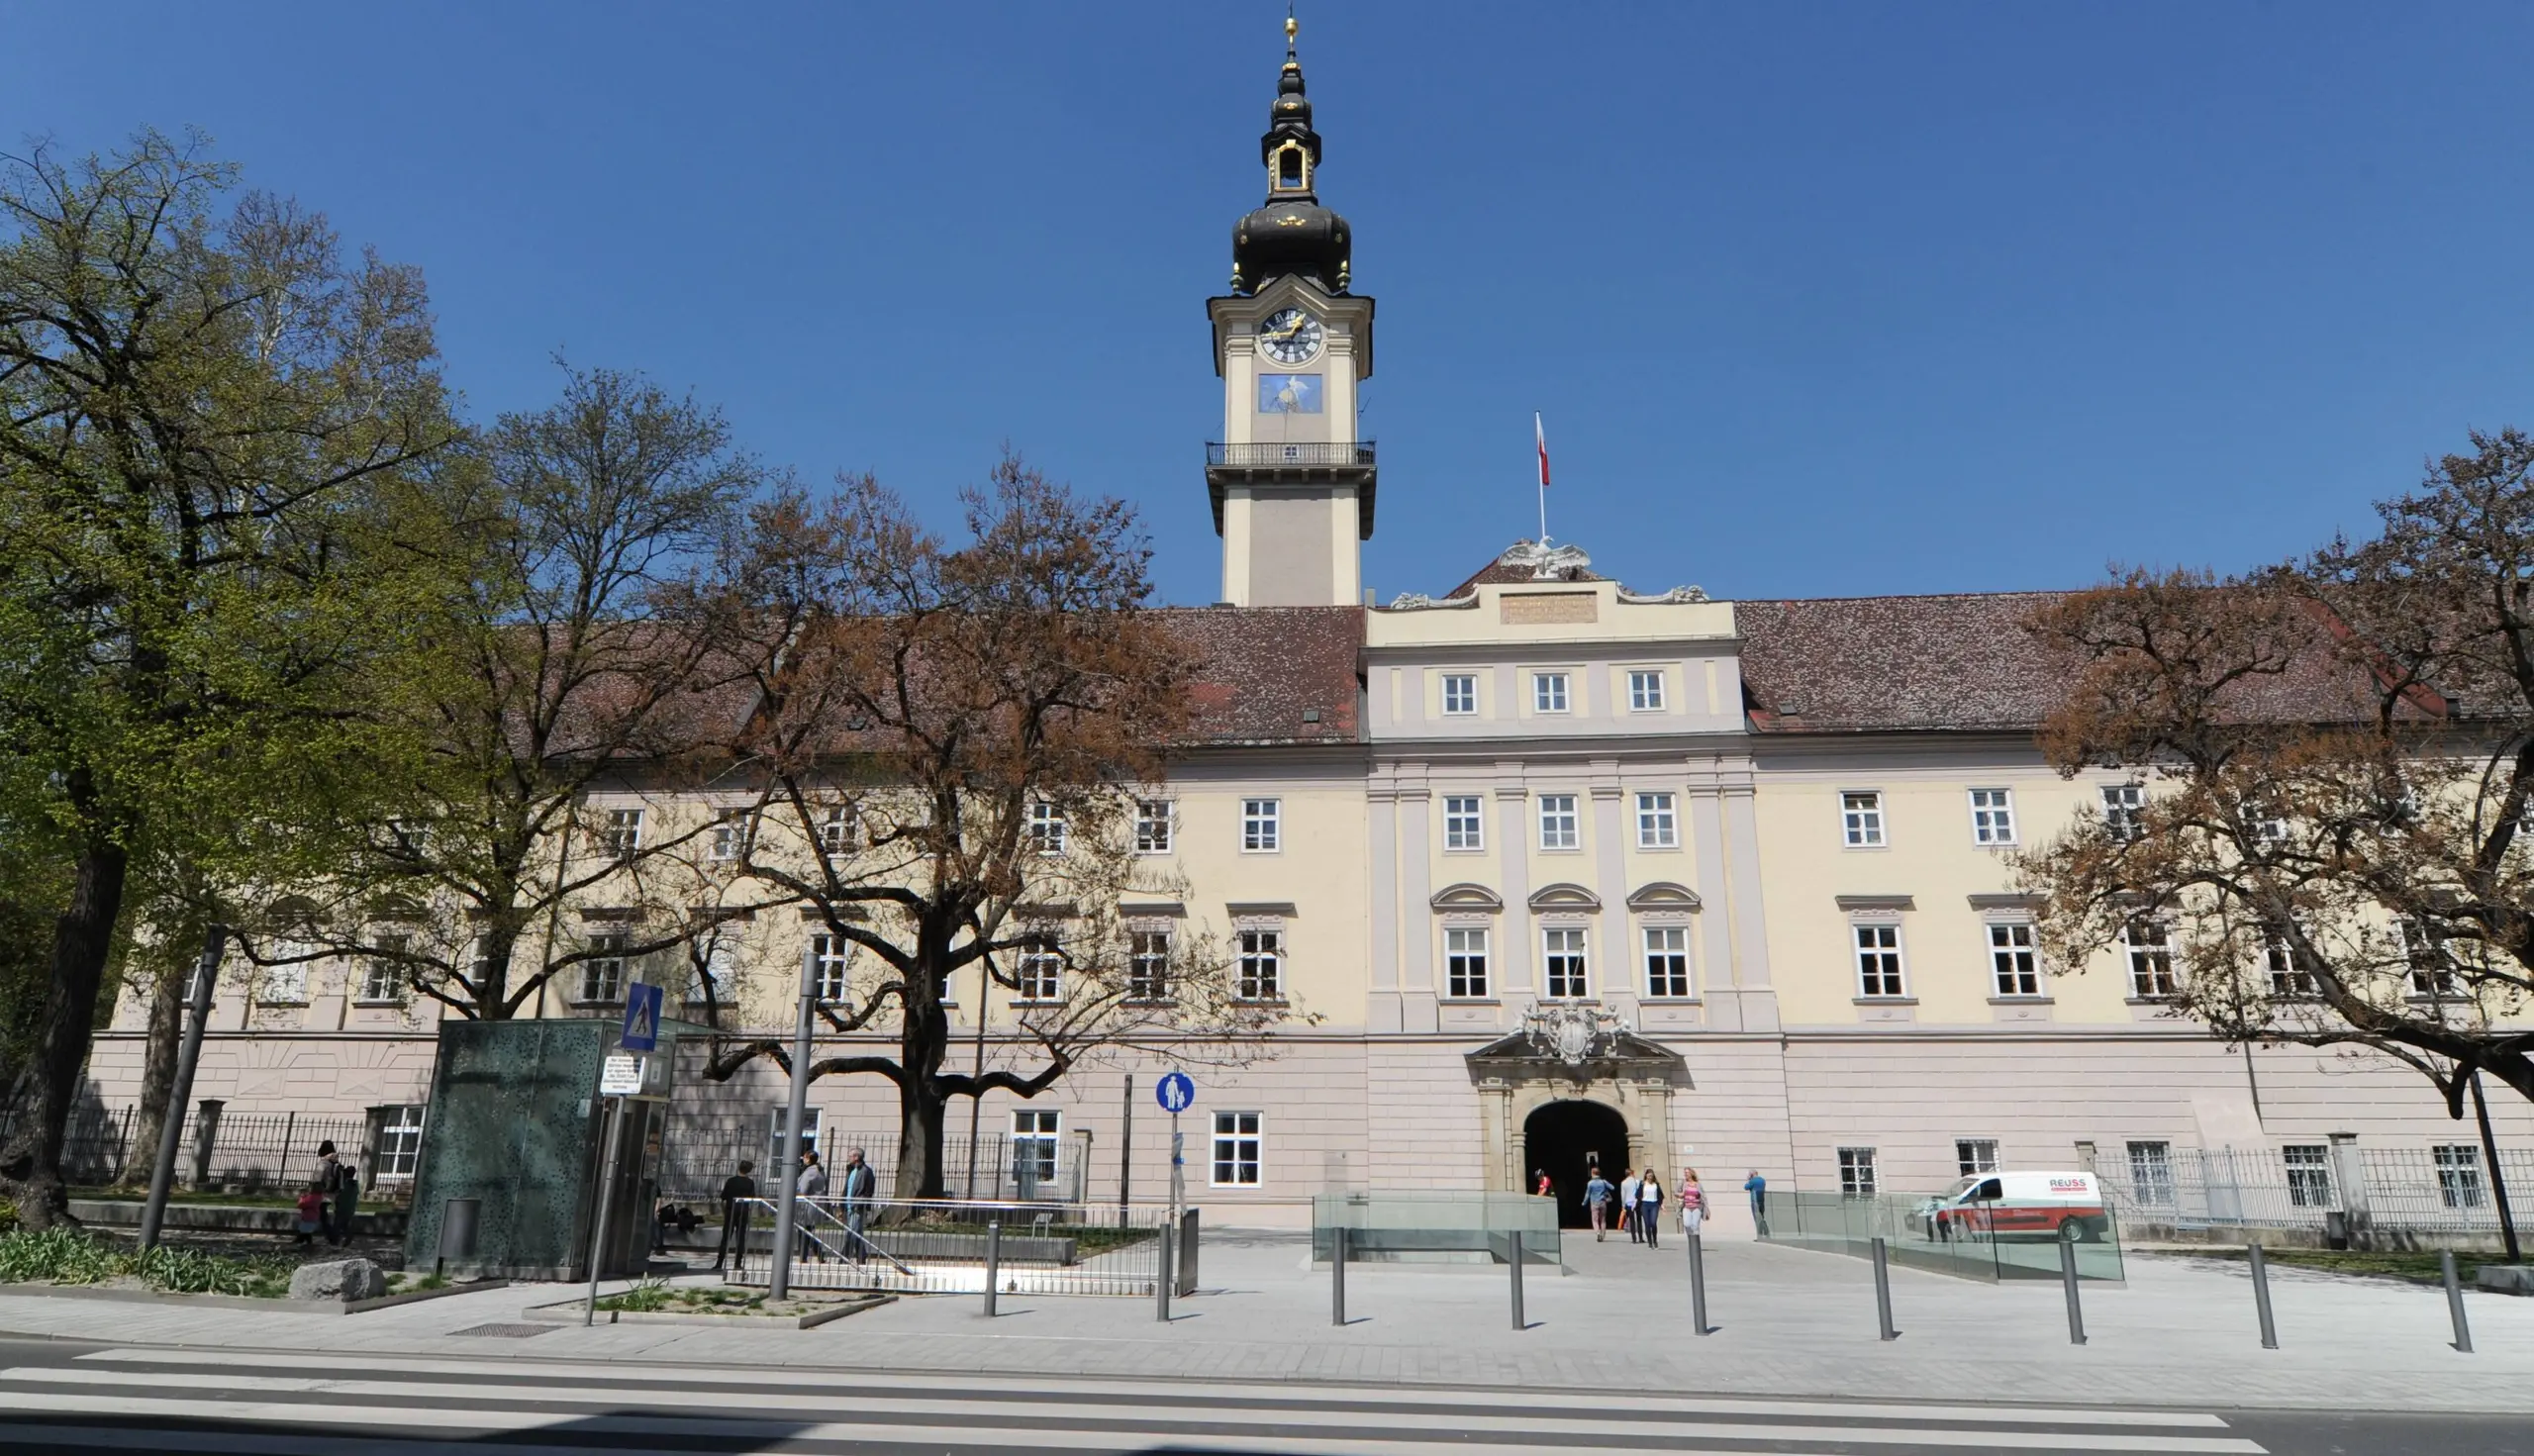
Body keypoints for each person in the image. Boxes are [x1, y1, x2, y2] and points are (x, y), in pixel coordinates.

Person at [712, 1159, 757, 1273]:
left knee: (726, 1237)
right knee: (740, 1237)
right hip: (743, 1211)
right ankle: (737, 1263)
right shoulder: (750, 1183)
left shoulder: (731, 1181)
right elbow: (752, 1198)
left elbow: (723, 1197)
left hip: (730, 1210)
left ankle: (719, 1263)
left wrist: (724, 1210)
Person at [316, 1140, 359, 1248]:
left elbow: (317, 1179)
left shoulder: (323, 1163)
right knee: (336, 1217)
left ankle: (333, 1237)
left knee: (321, 1216)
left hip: (323, 1192)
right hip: (334, 1193)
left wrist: (313, 1190)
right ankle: (336, 1236)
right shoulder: (337, 1164)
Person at [838, 1145, 878, 1264]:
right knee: (857, 1234)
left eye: (850, 1156)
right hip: (850, 1206)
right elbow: (847, 1189)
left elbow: (868, 1190)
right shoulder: (852, 1170)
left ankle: (843, 1259)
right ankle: (862, 1257)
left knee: (851, 1233)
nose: (848, 1158)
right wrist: (842, 1205)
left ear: (856, 1157)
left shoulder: (866, 1171)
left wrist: (861, 1203)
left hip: (857, 1207)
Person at [795, 1149, 828, 1262]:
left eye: (804, 1157)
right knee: (808, 1232)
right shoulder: (820, 1170)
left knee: (803, 1232)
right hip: (815, 1205)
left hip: (806, 1206)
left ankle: (803, 1257)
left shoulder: (809, 1172)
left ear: (808, 1159)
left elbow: (802, 1189)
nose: (803, 1159)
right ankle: (819, 1255)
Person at [1583, 1166, 1613, 1241]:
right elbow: (1612, 1188)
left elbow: (1587, 1194)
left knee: (1595, 1220)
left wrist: (1584, 1202)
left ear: (1592, 1173)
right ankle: (1603, 1236)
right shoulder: (1603, 1181)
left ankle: (1598, 1233)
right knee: (1603, 1220)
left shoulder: (1590, 1183)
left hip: (1594, 1203)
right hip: (1603, 1202)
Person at [1637, 1167, 1664, 1249]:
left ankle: (1655, 1239)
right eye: (1648, 1176)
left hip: (1654, 1204)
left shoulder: (1656, 1184)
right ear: (1646, 1176)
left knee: (1653, 1223)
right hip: (1645, 1205)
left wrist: (1662, 1205)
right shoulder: (1642, 1184)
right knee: (1647, 1224)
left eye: (1651, 1176)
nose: (1650, 1177)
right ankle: (1650, 1242)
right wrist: (1635, 1204)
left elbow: (1660, 1195)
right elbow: (1638, 1195)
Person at [293, 1180, 326, 1247]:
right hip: (313, 1217)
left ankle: (305, 1245)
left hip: (308, 1217)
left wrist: (301, 1197)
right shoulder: (319, 1196)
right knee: (306, 1233)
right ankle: (306, 1244)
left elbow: (301, 1205)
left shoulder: (312, 1197)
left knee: (304, 1233)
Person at [1679, 1167, 1706, 1239]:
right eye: (1685, 1172)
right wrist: (1679, 1195)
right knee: (1687, 1224)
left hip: (1696, 1207)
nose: (1685, 1174)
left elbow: (1703, 1196)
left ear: (1691, 1173)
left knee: (1695, 1226)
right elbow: (1677, 1192)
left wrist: (1707, 1209)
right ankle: (1691, 1239)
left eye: (1687, 1172)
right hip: (1686, 1207)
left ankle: (1695, 1243)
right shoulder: (1684, 1183)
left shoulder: (1697, 1184)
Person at [1617, 1169, 1642, 1243]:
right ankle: (1640, 1238)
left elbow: (1623, 1195)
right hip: (1637, 1202)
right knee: (1639, 1219)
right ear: (1632, 1173)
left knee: (1632, 1220)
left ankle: (1634, 1239)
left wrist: (1623, 1205)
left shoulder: (1623, 1183)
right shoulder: (1637, 1181)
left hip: (1629, 1203)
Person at [1744, 1169, 1769, 1238]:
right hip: (1762, 1200)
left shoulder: (1752, 1181)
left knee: (1756, 1217)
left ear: (1752, 1174)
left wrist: (1748, 1179)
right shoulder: (1762, 1180)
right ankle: (1765, 1233)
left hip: (1754, 1201)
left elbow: (1746, 1187)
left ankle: (1759, 1235)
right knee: (1762, 1216)